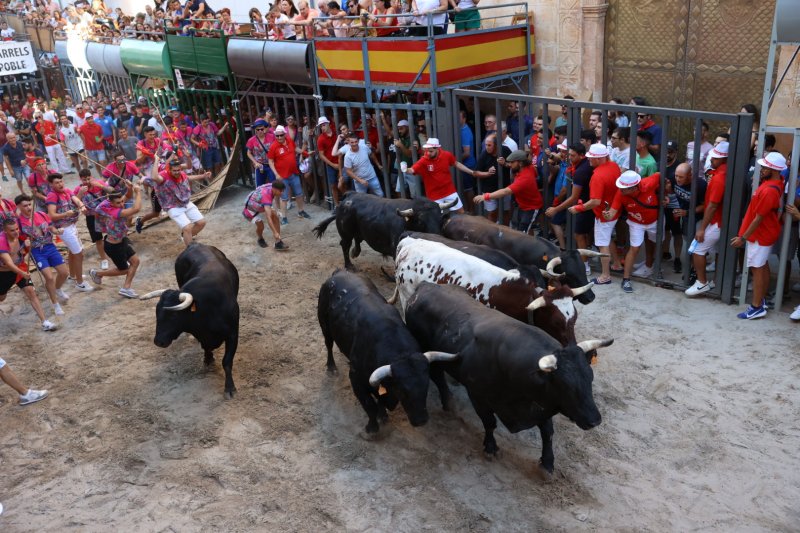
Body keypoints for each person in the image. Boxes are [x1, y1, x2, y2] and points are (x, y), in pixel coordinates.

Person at [730, 152, 787, 320]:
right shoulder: (774, 183)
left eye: (765, 167)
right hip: (762, 234)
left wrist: (742, 238)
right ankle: (760, 302)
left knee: (757, 269)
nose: (761, 169)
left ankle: (756, 307)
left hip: (760, 235)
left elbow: (758, 218)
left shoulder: (769, 190)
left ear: (774, 169)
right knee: (761, 266)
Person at [603, 170, 662, 293]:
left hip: (654, 222)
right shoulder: (620, 193)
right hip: (636, 223)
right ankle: (626, 279)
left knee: (654, 244)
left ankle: (652, 267)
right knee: (634, 248)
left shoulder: (648, 183)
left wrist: (665, 193)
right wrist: (607, 215)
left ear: (634, 188)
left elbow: (659, 174)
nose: (620, 190)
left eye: (623, 188)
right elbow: (612, 212)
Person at [572, 143, 622, 285]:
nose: (588, 160)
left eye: (591, 158)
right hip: (613, 211)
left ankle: (605, 276)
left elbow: (595, 201)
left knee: (602, 244)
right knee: (607, 238)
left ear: (599, 159)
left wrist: (579, 208)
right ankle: (617, 263)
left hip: (604, 215)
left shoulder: (598, 176)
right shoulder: (614, 166)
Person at [685, 141, 728, 297]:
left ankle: (701, 282)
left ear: (724, 159)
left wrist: (702, 228)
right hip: (720, 220)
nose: (712, 160)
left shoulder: (719, 178)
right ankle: (716, 281)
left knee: (698, 250)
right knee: (718, 251)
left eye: (715, 158)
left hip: (716, 221)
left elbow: (712, 205)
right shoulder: (723, 173)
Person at [16, 194, 69, 316]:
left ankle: (57, 288)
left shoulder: (40, 214)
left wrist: (57, 231)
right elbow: (16, 241)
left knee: (64, 273)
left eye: (30, 204)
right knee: (49, 277)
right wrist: (24, 243)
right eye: (25, 206)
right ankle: (55, 303)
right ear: (18, 207)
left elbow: (51, 227)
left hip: (50, 247)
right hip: (36, 251)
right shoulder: (18, 223)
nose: (29, 207)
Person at [0, 218, 56, 331]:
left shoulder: (21, 236)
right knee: (2, 297)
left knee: (31, 292)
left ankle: (44, 322)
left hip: (20, 268)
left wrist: (28, 245)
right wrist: (22, 273)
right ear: (5, 231)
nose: (16, 232)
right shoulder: (2, 241)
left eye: (17, 229)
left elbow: (38, 237)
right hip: (4, 274)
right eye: (12, 230)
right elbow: (9, 263)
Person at [89, 185, 143, 297]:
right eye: (118, 203)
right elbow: (136, 209)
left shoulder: (109, 205)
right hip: (114, 247)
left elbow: (127, 196)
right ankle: (98, 273)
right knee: (124, 270)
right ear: (112, 203)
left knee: (135, 261)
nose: (122, 204)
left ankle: (126, 288)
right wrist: (138, 192)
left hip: (121, 241)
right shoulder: (114, 212)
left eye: (122, 201)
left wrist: (129, 188)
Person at [474, 150, 543, 234]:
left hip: (531, 208)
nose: (510, 165)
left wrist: (485, 196)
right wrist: (505, 164)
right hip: (524, 206)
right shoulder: (528, 167)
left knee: (522, 234)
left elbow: (505, 191)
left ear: (520, 163)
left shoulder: (524, 179)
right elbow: (532, 170)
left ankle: (526, 242)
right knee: (527, 229)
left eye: (512, 162)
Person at [45, 173, 93, 292]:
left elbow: (76, 199)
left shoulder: (66, 191)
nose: (60, 184)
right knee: (79, 254)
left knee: (73, 252)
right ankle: (80, 283)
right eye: (57, 182)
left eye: (61, 181)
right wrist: (65, 214)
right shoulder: (52, 196)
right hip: (64, 229)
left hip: (72, 226)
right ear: (51, 184)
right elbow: (51, 215)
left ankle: (73, 275)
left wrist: (81, 206)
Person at [150, 157, 210, 246]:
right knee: (187, 227)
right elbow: (154, 177)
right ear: (169, 170)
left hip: (185, 202)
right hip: (172, 206)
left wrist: (202, 176)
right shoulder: (163, 176)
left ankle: (185, 236)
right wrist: (156, 160)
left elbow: (188, 177)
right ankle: (190, 249)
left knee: (201, 223)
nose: (177, 172)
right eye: (174, 171)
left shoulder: (181, 174)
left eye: (178, 170)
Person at [405, 138, 473, 213]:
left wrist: (471, 172)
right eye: (427, 150)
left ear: (437, 149)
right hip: (433, 195)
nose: (428, 153)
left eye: (431, 151)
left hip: (449, 191)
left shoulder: (446, 155)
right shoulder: (423, 160)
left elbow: (456, 164)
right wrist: (405, 169)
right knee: (438, 217)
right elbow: (412, 170)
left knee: (461, 212)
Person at [268, 125, 311, 223]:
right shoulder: (273, 146)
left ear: (284, 134)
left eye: (281, 135)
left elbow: (296, 149)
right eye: (277, 136)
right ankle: (284, 217)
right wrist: (276, 174)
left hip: (293, 173)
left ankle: (301, 211)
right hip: (282, 176)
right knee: (284, 198)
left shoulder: (289, 141)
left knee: (299, 194)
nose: (279, 137)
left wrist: (306, 153)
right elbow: (270, 161)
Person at [565, 144, 595, 276]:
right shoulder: (585, 165)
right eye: (569, 155)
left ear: (582, 155)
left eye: (572, 155)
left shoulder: (581, 171)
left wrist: (556, 209)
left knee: (579, 235)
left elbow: (574, 197)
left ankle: (585, 266)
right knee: (585, 234)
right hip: (588, 203)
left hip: (586, 205)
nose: (569, 158)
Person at [472, 133, 511, 223]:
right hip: (489, 190)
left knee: (506, 211)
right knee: (492, 213)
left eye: (489, 145)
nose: (487, 147)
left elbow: (515, 165)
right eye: (486, 145)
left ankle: (506, 229)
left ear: (496, 145)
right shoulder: (484, 154)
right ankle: (492, 230)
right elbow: (475, 173)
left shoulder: (505, 150)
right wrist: (488, 173)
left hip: (504, 188)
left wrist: (505, 163)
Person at [242, 179, 289, 250]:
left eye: (282, 190)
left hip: (260, 204)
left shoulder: (273, 186)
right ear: (274, 189)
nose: (282, 193)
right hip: (250, 210)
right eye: (281, 191)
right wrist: (275, 232)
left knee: (275, 215)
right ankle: (260, 238)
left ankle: (278, 242)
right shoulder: (266, 196)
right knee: (261, 225)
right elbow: (268, 217)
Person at [316, 116, 340, 208]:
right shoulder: (321, 139)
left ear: (328, 124)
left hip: (341, 162)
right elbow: (321, 155)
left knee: (343, 183)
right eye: (321, 126)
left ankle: (347, 202)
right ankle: (337, 205)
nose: (322, 127)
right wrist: (332, 165)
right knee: (333, 185)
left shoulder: (336, 133)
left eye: (324, 125)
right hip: (331, 164)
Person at [246, 119, 274, 187]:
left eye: (261, 129)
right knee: (259, 186)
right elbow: (248, 153)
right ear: (255, 130)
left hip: (271, 165)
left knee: (274, 185)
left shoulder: (272, 137)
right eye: (258, 129)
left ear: (264, 129)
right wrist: (255, 162)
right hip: (260, 166)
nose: (260, 131)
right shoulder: (251, 140)